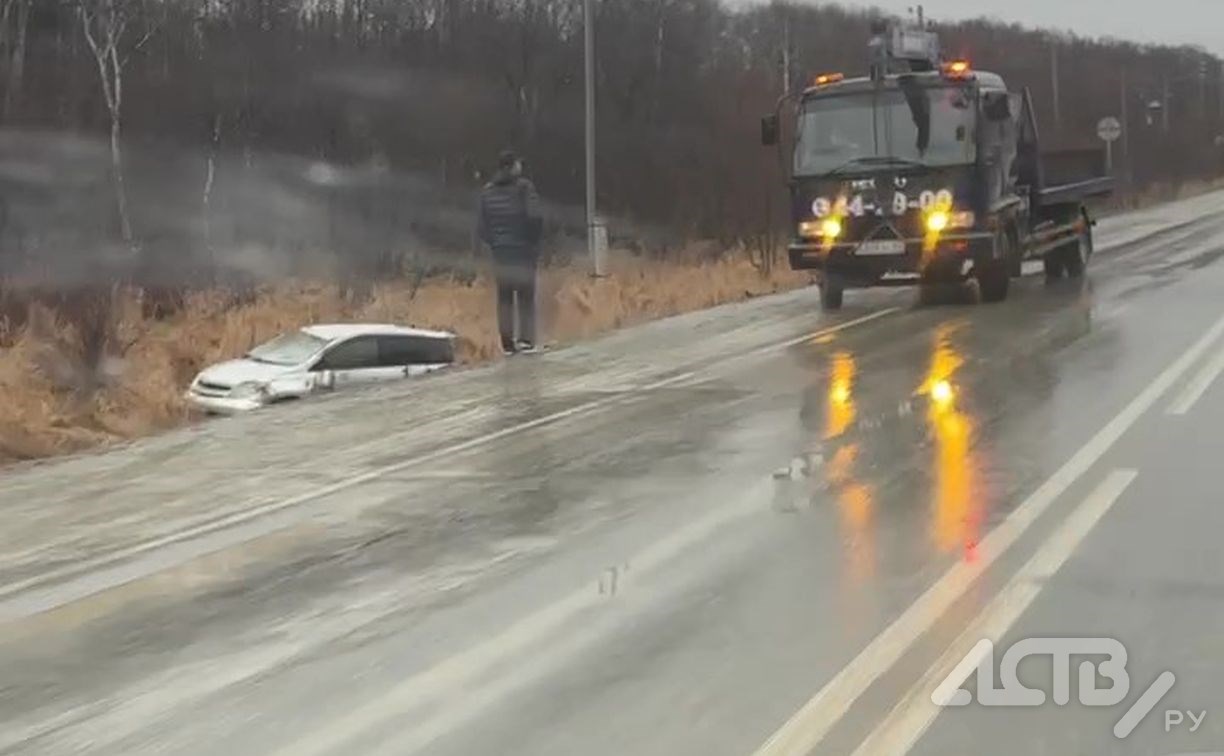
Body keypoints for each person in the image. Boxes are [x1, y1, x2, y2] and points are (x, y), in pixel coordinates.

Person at [477, 149, 544, 355]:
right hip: (523, 251)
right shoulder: (524, 188)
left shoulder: (486, 192)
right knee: (525, 297)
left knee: (505, 299)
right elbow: (534, 217)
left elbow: (482, 227)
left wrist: (496, 243)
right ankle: (526, 340)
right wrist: (533, 242)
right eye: (518, 164)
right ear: (512, 166)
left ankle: (507, 343)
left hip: (501, 253)